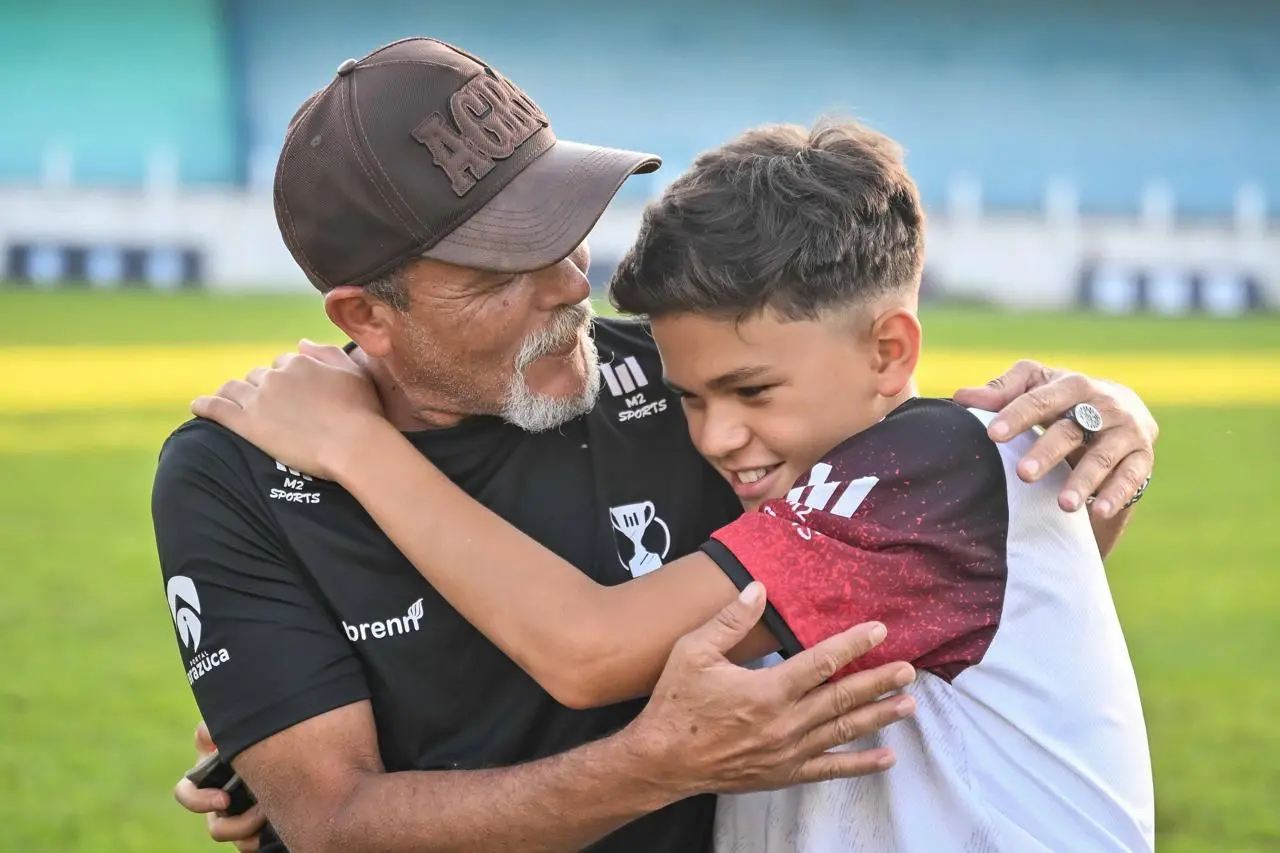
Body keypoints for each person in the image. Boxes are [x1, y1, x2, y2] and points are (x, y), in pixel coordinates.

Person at [163, 39, 1159, 853]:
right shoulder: (237, 471)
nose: (564, 285)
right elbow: (331, 821)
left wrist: (1100, 419)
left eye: (563, 226)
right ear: (365, 316)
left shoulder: (684, 381)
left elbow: (959, 500)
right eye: (502, 266)